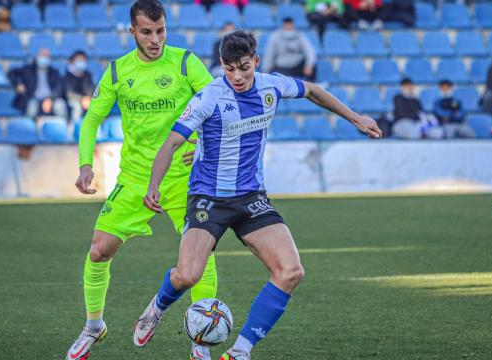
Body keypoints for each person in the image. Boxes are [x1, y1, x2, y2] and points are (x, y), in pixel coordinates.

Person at [133, 30, 381, 360]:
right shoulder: (209, 97)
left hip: (252, 198)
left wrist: (355, 118)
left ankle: (240, 350)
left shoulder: (272, 85)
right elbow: (173, 142)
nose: (237, 76)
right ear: (221, 64)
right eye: (230, 69)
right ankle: (157, 307)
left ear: (256, 62)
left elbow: (313, 91)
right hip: (209, 197)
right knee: (188, 274)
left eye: (244, 68)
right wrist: (154, 185)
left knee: (291, 272)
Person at [66, 1, 219, 359]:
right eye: (147, 32)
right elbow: (91, 121)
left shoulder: (184, 62)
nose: (155, 39)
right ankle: (94, 326)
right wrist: (85, 163)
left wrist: (199, 143)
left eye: (161, 31)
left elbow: (217, 102)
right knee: (98, 249)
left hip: (183, 179)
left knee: (201, 258)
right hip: (135, 178)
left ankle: (201, 344)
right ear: (131, 31)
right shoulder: (118, 71)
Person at [7, 48, 68, 119]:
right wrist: (18, 84)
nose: (44, 58)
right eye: (42, 55)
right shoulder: (28, 69)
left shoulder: (54, 72)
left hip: (50, 99)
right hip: (33, 98)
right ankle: (29, 128)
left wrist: (51, 99)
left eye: (46, 56)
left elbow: (59, 87)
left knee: (60, 105)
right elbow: (11, 73)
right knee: (32, 106)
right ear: (37, 57)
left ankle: (63, 128)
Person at [64, 51, 95, 122]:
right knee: (77, 107)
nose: (81, 62)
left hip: (87, 100)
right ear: (73, 61)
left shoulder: (88, 75)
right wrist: (81, 99)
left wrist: (88, 98)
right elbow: (68, 93)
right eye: (78, 60)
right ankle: (73, 129)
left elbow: (92, 89)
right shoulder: (68, 76)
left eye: (83, 60)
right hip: (73, 100)